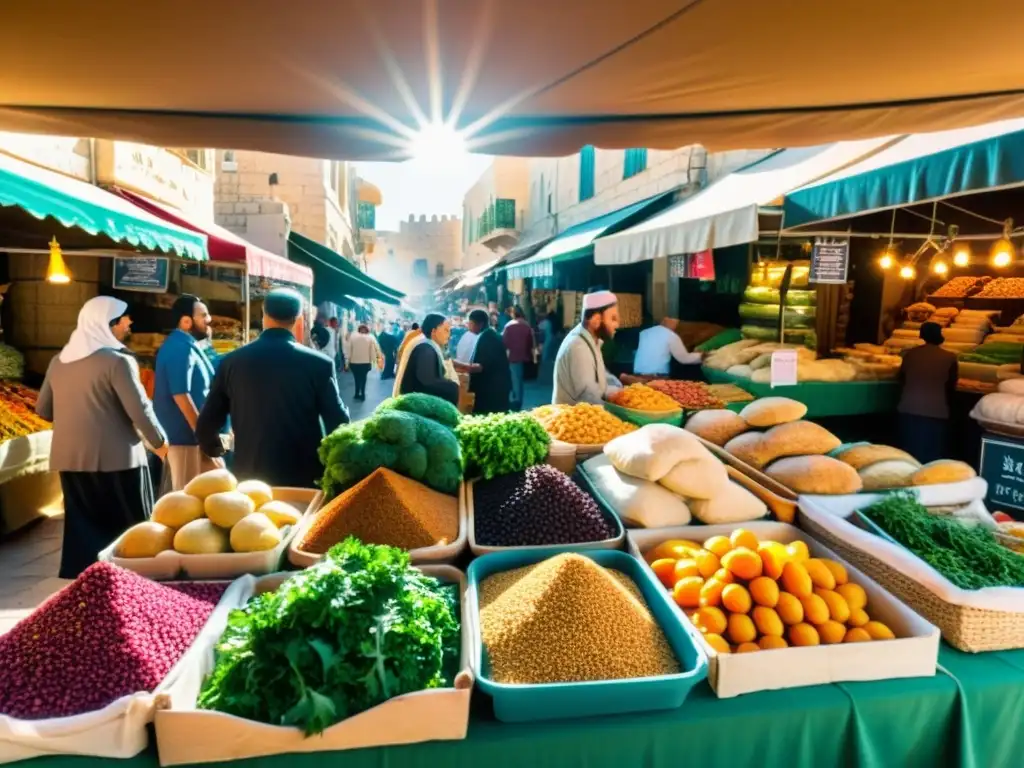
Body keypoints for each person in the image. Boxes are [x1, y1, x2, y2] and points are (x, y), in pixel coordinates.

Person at [35, 297, 168, 578]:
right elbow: (139, 410)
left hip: (70, 460)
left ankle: (88, 591)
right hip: (119, 460)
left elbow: (43, 410)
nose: (129, 324)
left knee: (83, 531)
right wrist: (160, 443)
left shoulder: (58, 361)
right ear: (106, 325)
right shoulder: (118, 362)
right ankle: (130, 589)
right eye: (123, 320)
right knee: (130, 533)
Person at [196, 288, 349, 488]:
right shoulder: (320, 364)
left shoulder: (232, 362)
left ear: (263, 315)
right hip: (304, 478)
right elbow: (339, 424)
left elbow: (205, 427)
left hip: (249, 479)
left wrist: (219, 450)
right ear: (298, 319)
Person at [153, 294, 221, 491]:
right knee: (185, 502)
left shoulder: (187, 345)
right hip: (184, 440)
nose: (209, 320)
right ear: (186, 321)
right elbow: (181, 395)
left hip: (191, 439)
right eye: (204, 315)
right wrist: (204, 435)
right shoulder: (179, 348)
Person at [897, 321, 958, 463]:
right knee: (930, 456)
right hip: (935, 413)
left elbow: (901, 379)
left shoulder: (910, 354)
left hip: (908, 409)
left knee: (908, 455)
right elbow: (951, 386)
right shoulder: (949, 357)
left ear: (922, 335)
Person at [553, 290, 623, 405]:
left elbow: (601, 380)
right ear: (596, 320)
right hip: (573, 418)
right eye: (613, 319)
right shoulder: (578, 346)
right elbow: (588, 396)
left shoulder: (593, 341)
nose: (617, 324)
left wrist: (624, 393)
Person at [397, 313, 459, 405]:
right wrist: (453, 387)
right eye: (446, 330)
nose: (449, 335)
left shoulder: (429, 345)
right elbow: (428, 382)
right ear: (433, 331)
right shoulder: (426, 349)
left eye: (450, 331)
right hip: (416, 406)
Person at [467, 309, 511, 414]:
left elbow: (481, 366)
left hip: (492, 389)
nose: (469, 326)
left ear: (480, 324)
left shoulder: (489, 338)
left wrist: (456, 365)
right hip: (493, 387)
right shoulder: (487, 335)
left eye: (471, 323)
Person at [633, 317, 703, 375]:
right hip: (657, 376)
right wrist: (703, 356)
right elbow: (684, 358)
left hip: (638, 373)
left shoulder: (644, 332)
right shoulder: (671, 335)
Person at [503, 306, 535, 410]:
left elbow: (504, 342)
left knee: (515, 378)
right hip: (525, 356)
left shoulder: (508, 326)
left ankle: (516, 402)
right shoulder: (526, 325)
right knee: (519, 379)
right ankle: (518, 400)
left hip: (512, 356)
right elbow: (531, 342)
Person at [345, 323, 381, 400]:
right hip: (365, 363)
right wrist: (374, 361)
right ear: (367, 331)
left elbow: (349, 350)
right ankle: (363, 394)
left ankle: (357, 393)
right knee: (364, 378)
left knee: (356, 378)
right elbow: (372, 350)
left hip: (354, 362)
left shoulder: (353, 337)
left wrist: (347, 361)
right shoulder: (370, 338)